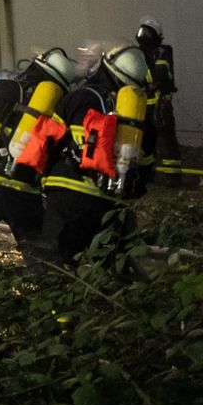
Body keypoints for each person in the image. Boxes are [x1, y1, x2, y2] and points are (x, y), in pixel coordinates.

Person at [0, 48, 81, 253]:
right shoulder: (61, 107)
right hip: (25, 191)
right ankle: (46, 282)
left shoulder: (0, 88)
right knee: (38, 254)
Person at [41, 45, 153, 263]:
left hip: (67, 195)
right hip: (110, 202)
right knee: (107, 266)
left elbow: (46, 140)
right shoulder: (139, 115)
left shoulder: (79, 97)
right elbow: (146, 167)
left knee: (57, 264)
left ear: (106, 67)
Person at [134, 17, 182, 186]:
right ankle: (147, 174)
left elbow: (159, 75)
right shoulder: (137, 53)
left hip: (160, 104)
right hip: (142, 105)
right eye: (141, 31)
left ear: (156, 35)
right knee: (145, 141)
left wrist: (141, 76)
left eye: (147, 32)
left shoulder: (162, 52)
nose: (142, 35)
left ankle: (173, 176)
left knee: (166, 140)